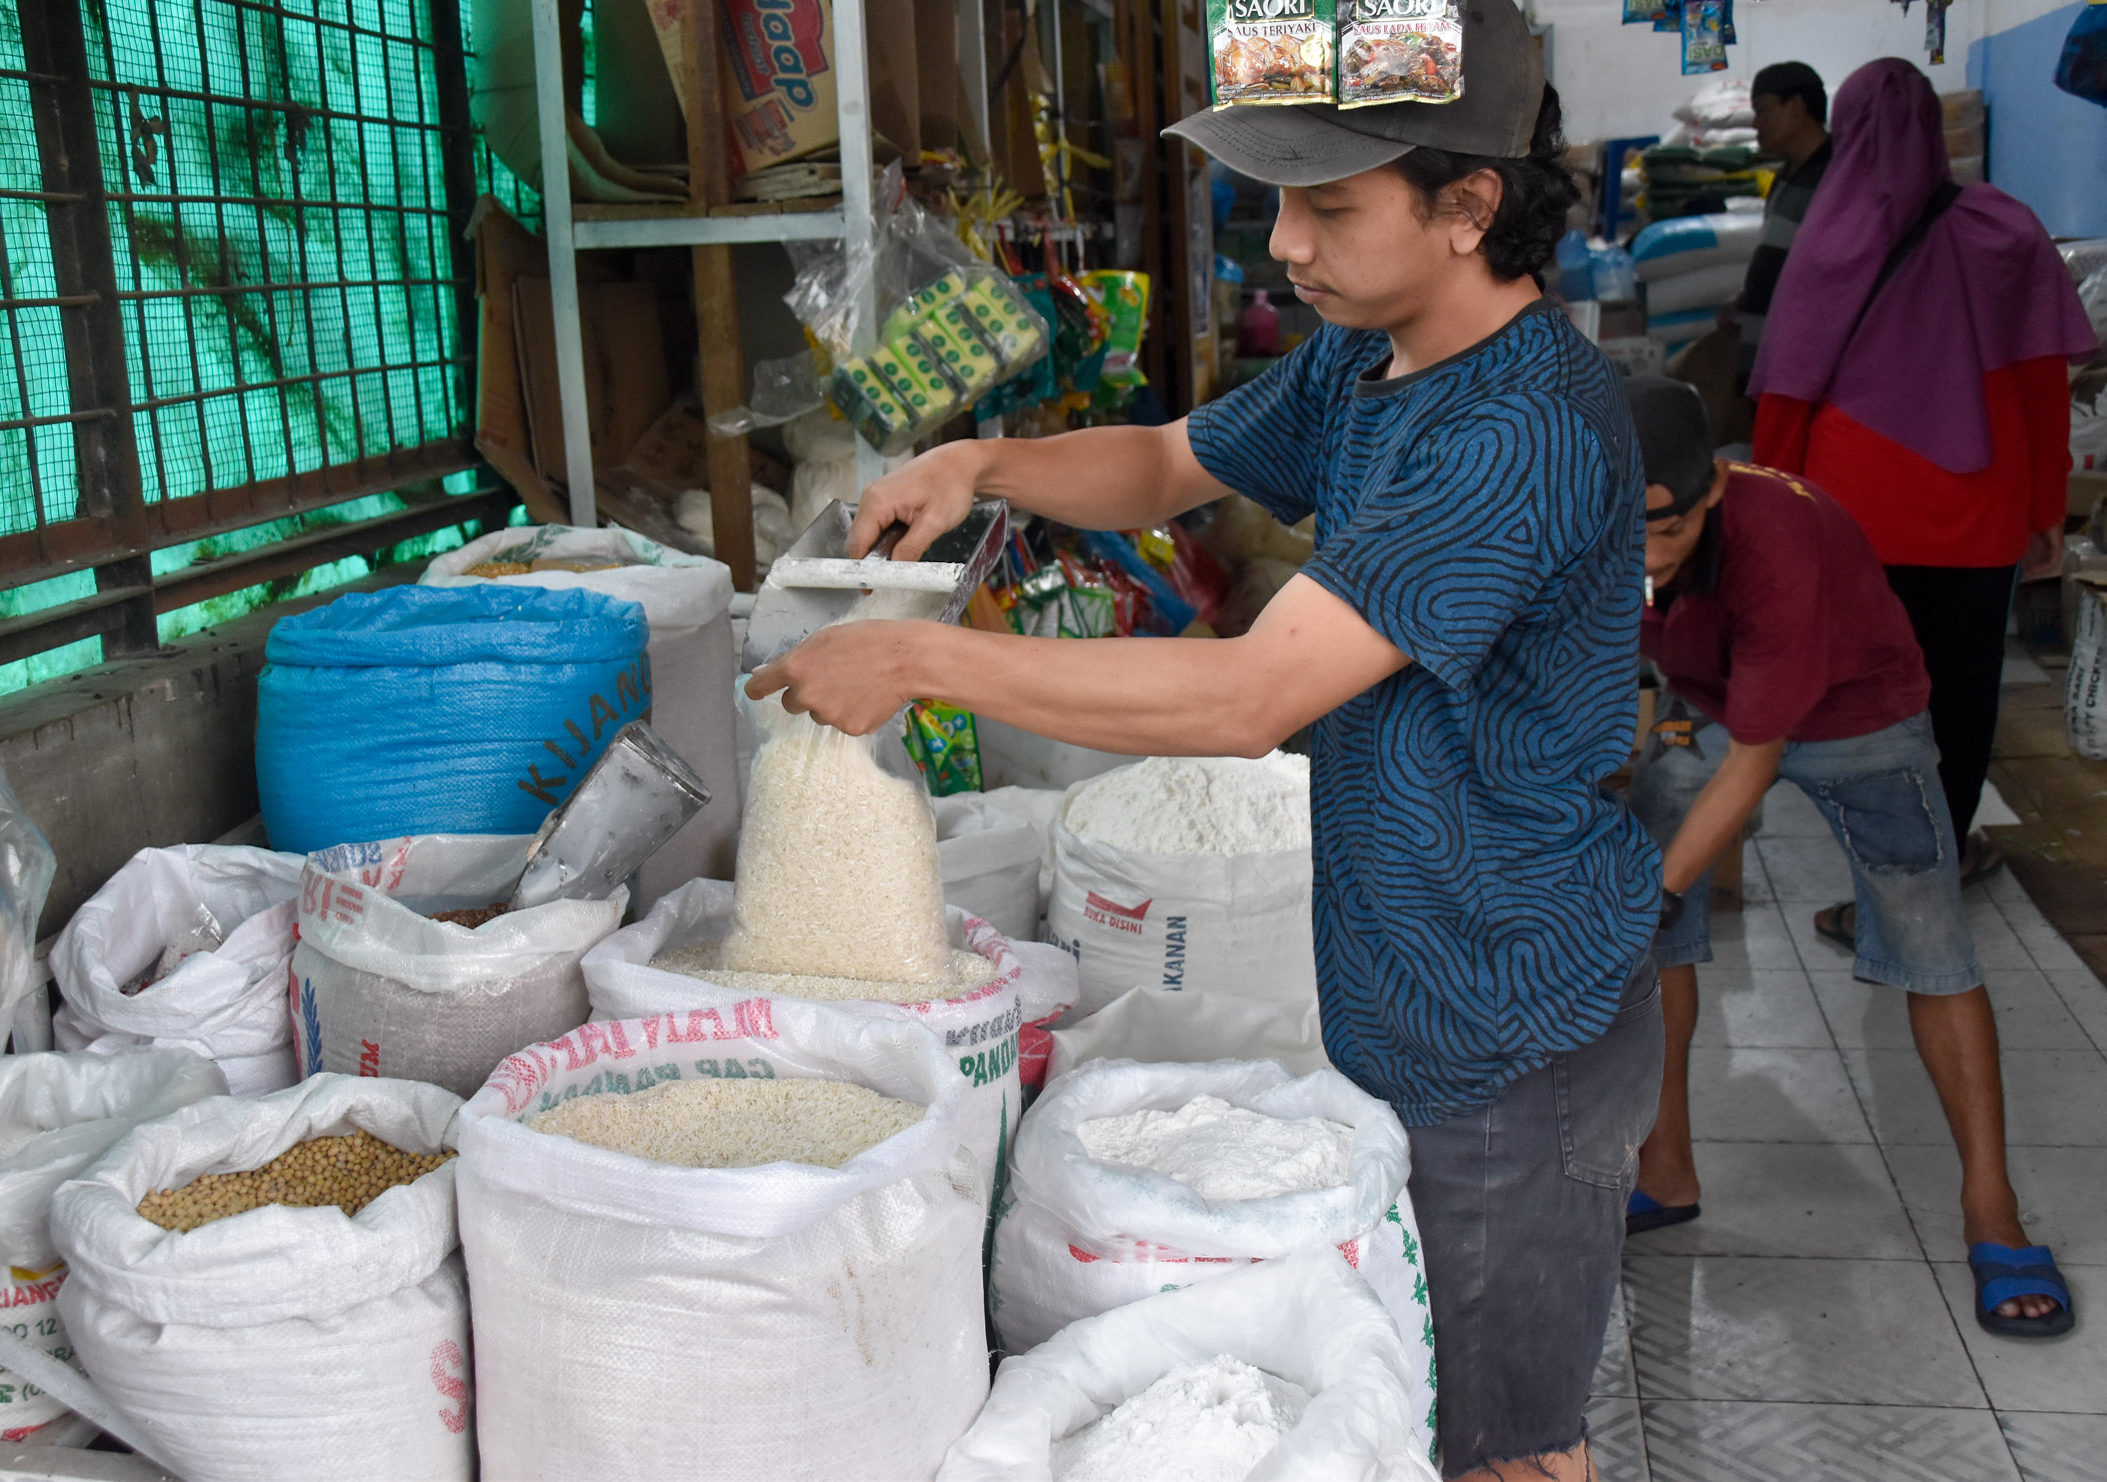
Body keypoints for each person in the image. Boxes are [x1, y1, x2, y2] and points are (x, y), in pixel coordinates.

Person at [749, 5, 1662, 1476]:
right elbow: (1170, 459)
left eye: (1328, 202)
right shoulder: (1368, 362)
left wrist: (919, 655)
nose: (1282, 242)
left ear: (1468, 206)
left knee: (1506, 1445)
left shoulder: (1516, 426)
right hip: (1411, 979)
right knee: (1422, 1403)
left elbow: (1249, 696)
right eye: (1279, 197)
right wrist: (979, 460)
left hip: (1507, 1021)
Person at [1621, 376, 2074, 1340]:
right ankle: (1665, 1169)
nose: (1645, 557)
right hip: (1707, 706)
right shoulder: (1612, 522)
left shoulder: (1775, 539)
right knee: (1655, 946)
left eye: (1665, 532)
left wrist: (1650, 889)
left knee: (1932, 944)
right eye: (1627, 535)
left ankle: (1992, 1211)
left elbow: (1757, 761)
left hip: (1864, 720)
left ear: (1710, 490)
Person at [1751, 58, 2096, 910]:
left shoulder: (1829, 234)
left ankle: (1885, 876)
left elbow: (1787, 399)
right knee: (1966, 689)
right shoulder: (2004, 230)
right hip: (1978, 511)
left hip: (1853, 513)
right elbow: (2041, 387)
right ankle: (1941, 854)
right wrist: (2045, 509)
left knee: (1868, 695)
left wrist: (1765, 513)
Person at [1728, 62, 1834, 386]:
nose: (1756, 124)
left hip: (1804, 365)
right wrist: (1745, 301)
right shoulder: (1784, 178)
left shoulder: (1836, 178)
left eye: (1762, 110)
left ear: (1798, 107)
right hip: (1768, 356)